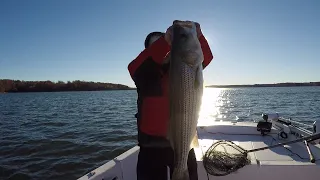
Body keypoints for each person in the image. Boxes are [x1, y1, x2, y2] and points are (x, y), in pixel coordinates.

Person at [127, 21, 213, 180]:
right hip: (152, 152)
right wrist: (165, 41)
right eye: (157, 45)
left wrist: (198, 35)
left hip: (185, 145)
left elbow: (204, 56)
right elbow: (134, 67)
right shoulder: (144, 74)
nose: (166, 48)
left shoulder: (185, 68)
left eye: (169, 45)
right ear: (149, 52)